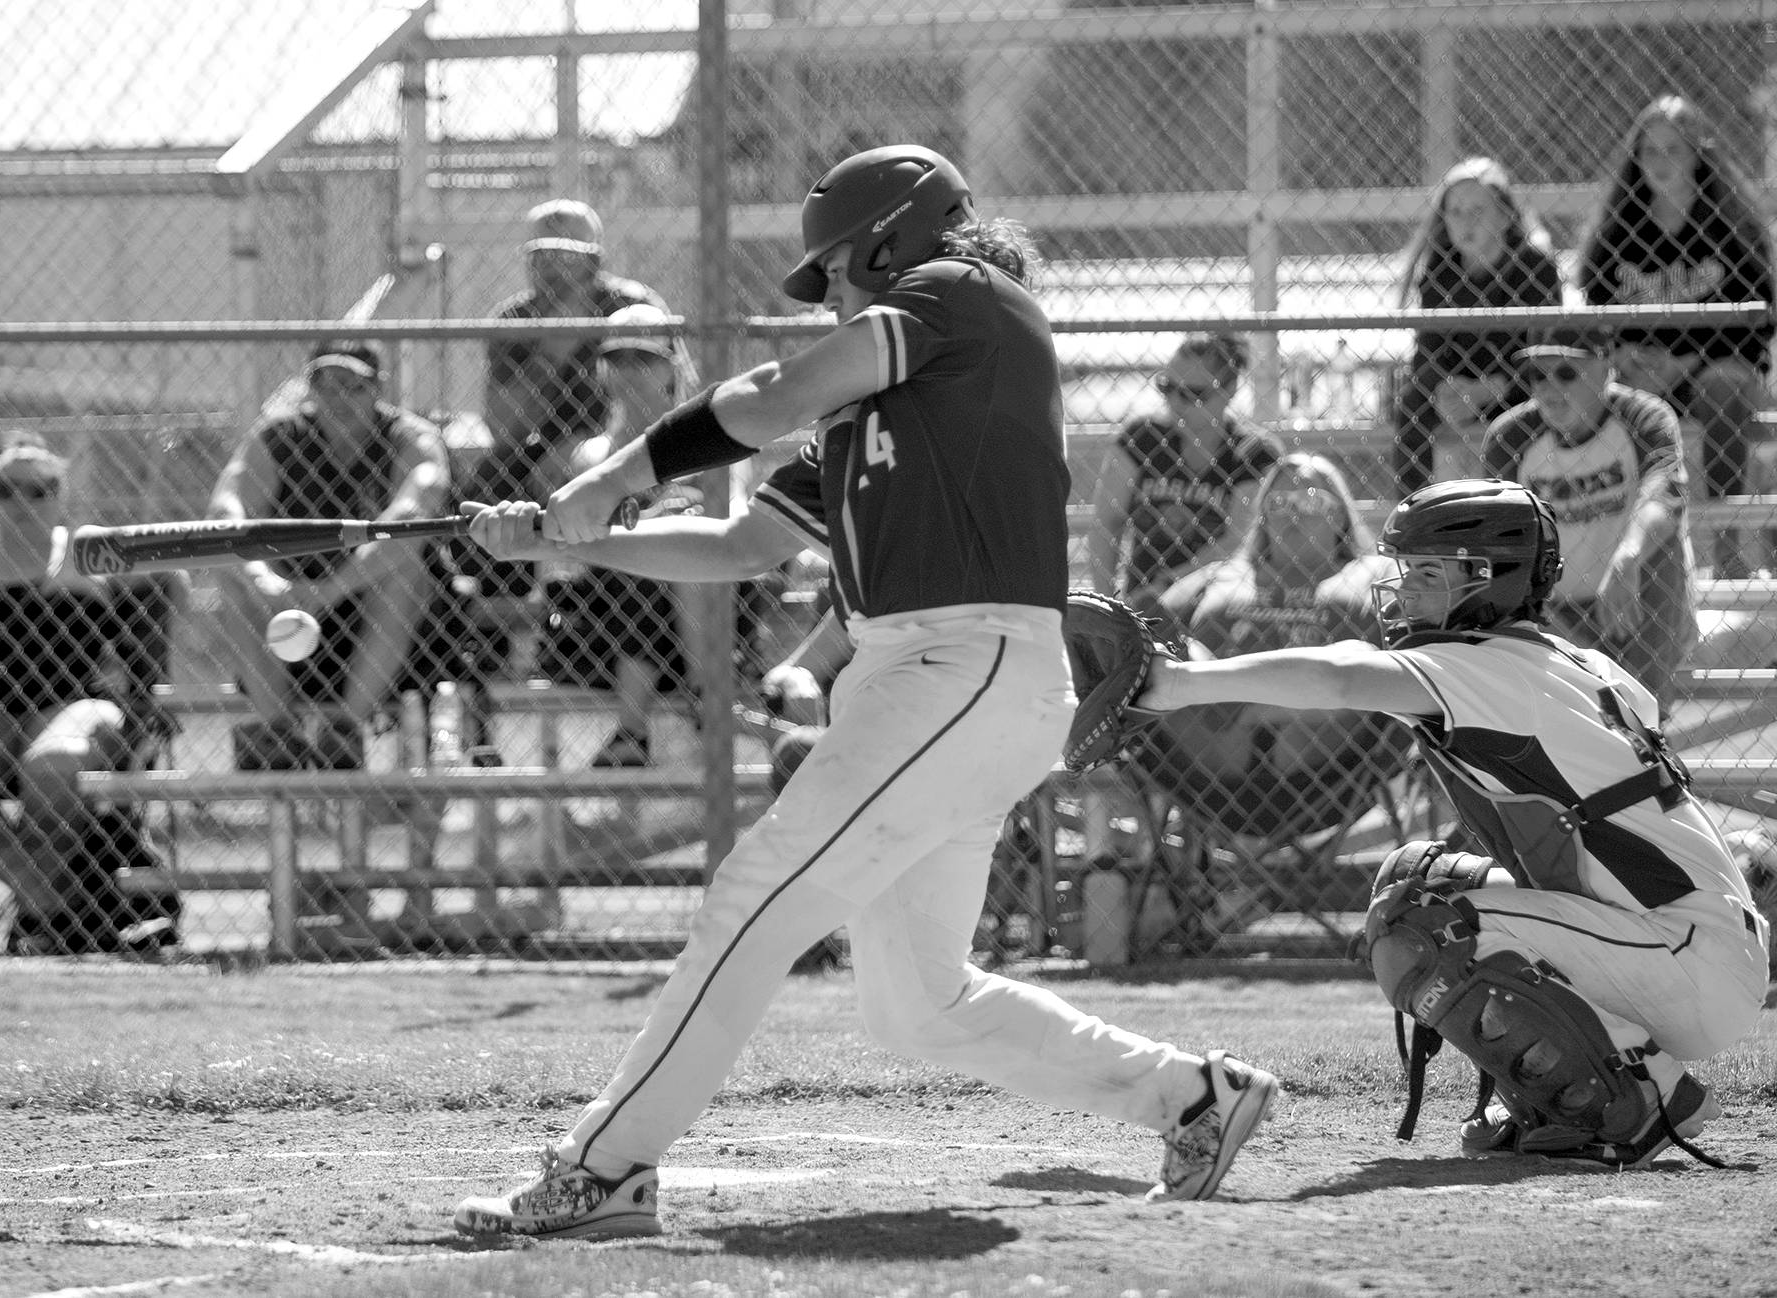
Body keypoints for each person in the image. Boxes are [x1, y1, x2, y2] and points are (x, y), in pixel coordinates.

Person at [453, 144, 1278, 1240]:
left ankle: (605, 1165)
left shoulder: (966, 295)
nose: (826, 296)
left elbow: (765, 396)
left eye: (835, 272)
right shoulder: (872, 410)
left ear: (894, 240)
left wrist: (607, 479)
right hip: (932, 684)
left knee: (755, 892)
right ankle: (1193, 1095)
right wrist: (574, 539)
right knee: (917, 1001)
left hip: (962, 664)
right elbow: (744, 541)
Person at [1134, 477, 1768, 1169]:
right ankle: (1588, 1088)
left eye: (1427, 574)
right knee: (1419, 879)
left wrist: (1180, 685)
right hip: (1685, 944)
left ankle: (1638, 1099)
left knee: (1422, 925)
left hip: (1682, 959)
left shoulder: (1487, 668)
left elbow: (1344, 676)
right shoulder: (1576, 662)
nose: (1403, 591)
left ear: (1488, 580)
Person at [0, 434, 185, 953]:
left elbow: (173, 581)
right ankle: (53, 911)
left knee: (51, 765)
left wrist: (146, 673)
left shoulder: (86, 552)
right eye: (9, 489)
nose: (24, 501)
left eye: (41, 489)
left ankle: (45, 915)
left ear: (60, 497)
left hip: (75, 704)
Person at [209, 341, 448, 768]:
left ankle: (345, 731)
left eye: (352, 387)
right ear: (310, 391)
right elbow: (226, 512)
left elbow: (410, 519)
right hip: (290, 607)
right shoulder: (278, 437)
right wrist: (266, 580)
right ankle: (277, 733)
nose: (338, 399)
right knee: (232, 574)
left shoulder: (410, 438)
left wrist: (332, 589)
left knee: (404, 568)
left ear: (379, 389)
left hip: (382, 626)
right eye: (325, 386)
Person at [1145, 452, 1406, 840]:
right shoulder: (1218, 576)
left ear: (1340, 515)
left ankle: (1230, 701)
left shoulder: (1375, 574)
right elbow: (1151, 627)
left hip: (1327, 766)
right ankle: (1227, 700)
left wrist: (1240, 703)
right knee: (1156, 636)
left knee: (1358, 668)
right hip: (1206, 772)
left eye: (1311, 501)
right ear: (1263, 516)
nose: (1292, 513)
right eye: (1279, 503)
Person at [460, 200, 671, 671]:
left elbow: (663, 403)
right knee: (494, 480)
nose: (552, 268)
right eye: (541, 255)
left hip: (625, 444)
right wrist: (551, 350)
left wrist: (589, 454)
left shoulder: (632, 308)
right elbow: (504, 427)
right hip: (538, 454)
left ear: (595, 259)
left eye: (567, 254)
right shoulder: (516, 318)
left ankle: (603, 623)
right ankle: (503, 641)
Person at [1578, 94, 1775, 579]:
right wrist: (1624, 355)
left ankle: (1728, 544)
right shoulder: (1618, 232)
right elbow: (1596, 315)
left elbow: (1761, 317)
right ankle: (1636, 551)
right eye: (1650, 151)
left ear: (1698, 155)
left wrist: (1685, 362)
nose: (1661, 162)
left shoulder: (1730, 226)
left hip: (1714, 370)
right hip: (1641, 371)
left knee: (1723, 387)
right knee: (1621, 399)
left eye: (1675, 150)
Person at [1482, 327, 1697, 712]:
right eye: (1537, 375)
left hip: (1634, 598)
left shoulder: (1642, 417)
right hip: (1553, 610)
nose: (1548, 387)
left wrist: (1628, 558)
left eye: (1566, 373)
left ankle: (1645, 716)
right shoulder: (1510, 436)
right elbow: (1500, 538)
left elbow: (1666, 497)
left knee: (1661, 545)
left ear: (1605, 368)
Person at [536, 306, 704, 767]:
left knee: (681, 539)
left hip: (706, 617)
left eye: (643, 359)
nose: (629, 371)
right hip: (609, 629)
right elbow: (586, 548)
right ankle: (707, 700)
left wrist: (680, 512)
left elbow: (736, 522)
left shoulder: (709, 439)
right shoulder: (592, 455)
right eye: (619, 359)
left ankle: (633, 731)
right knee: (647, 557)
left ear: (671, 367)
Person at [1392, 156, 1564, 495]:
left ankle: (1524, 503)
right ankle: (1412, 509)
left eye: (1477, 211)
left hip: (1516, 386)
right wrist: (1447, 391)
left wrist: (1491, 389)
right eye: (1454, 212)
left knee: (1549, 384)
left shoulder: (1534, 266)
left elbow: (1544, 353)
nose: (1464, 222)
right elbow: (1428, 352)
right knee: (1413, 399)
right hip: (1460, 388)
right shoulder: (1441, 270)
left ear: (1504, 216)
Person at [1086, 331, 1280, 614]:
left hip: (1220, 604)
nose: (1175, 402)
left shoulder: (1253, 452)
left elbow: (1240, 542)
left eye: (1193, 393)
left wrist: (1170, 585)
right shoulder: (1141, 439)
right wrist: (1109, 607)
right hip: (1142, 605)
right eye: (1167, 387)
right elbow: (1106, 525)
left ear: (1230, 390)